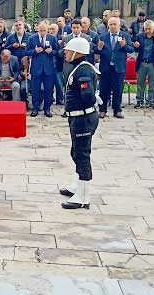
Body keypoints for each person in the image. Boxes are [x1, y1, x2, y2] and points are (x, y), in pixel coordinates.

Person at [59, 38, 100, 210]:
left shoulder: (83, 70)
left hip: (82, 118)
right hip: (77, 117)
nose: (66, 53)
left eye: (68, 50)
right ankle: (78, 186)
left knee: (82, 155)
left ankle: (83, 197)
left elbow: (88, 96)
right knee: (76, 152)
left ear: (78, 52)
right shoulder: (80, 67)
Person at [95, 17, 133, 119]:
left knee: (118, 90)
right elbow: (97, 51)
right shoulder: (103, 36)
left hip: (118, 68)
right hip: (106, 68)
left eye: (114, 24)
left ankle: (117, 110)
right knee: (104, 90)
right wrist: (99, 47)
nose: (112, 26)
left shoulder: (124, 36)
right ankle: (102, 110)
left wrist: (124, 45)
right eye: (110, 24)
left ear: (119, 25)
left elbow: (131, 49)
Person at [26, 22, 59, 117]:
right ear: (38, 30)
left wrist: (51, 51)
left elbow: (58, 51)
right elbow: (26, 51)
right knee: (35, 89)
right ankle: (35, 108)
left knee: (48, 89)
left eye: (44, 30)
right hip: (36, 68)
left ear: (47, 30)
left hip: (48, 69)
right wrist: (34, 51)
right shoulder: (32, 38)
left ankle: (47, 109)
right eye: (41, 30)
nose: (42, 32)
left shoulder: (52, 38)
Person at [132, 20, 154, 109]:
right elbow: (136, 49)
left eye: (149, 29)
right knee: (140, 83)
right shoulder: (140, 36)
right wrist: (136, 46)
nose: (148, 30)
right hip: (142, 62)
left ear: (153, 28)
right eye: (146, 29)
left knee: (152, 83)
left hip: (153, 63)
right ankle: (139, 101)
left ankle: (150, 101)